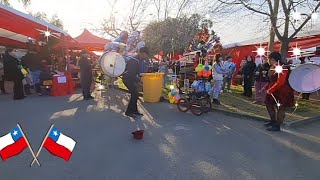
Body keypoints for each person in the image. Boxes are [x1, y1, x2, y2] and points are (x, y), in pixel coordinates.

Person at [262, 52, 294, 131]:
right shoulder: (273, 66)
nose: (267, 60)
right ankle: (273, 121)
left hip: (282, 90)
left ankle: (277, 125)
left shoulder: (282, 67)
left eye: (268, 59)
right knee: (268, 104)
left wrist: (270, 89)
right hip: (273, 88)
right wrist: (266, 87)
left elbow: (280, 82)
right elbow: (273, 80)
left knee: (281, 107)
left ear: (272, 59)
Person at [122, 47, 150, 118]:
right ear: (143, 53)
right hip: (127, 79)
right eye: (147, 55)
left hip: (130, 78)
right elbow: (131, 73)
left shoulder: (137, 60)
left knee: (135, 94)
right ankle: (129, 111)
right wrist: (139, 80)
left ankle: (134, 110)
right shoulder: (134, 60)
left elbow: (136, 72)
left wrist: (140, 75)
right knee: (134, 94)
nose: (147, 56)